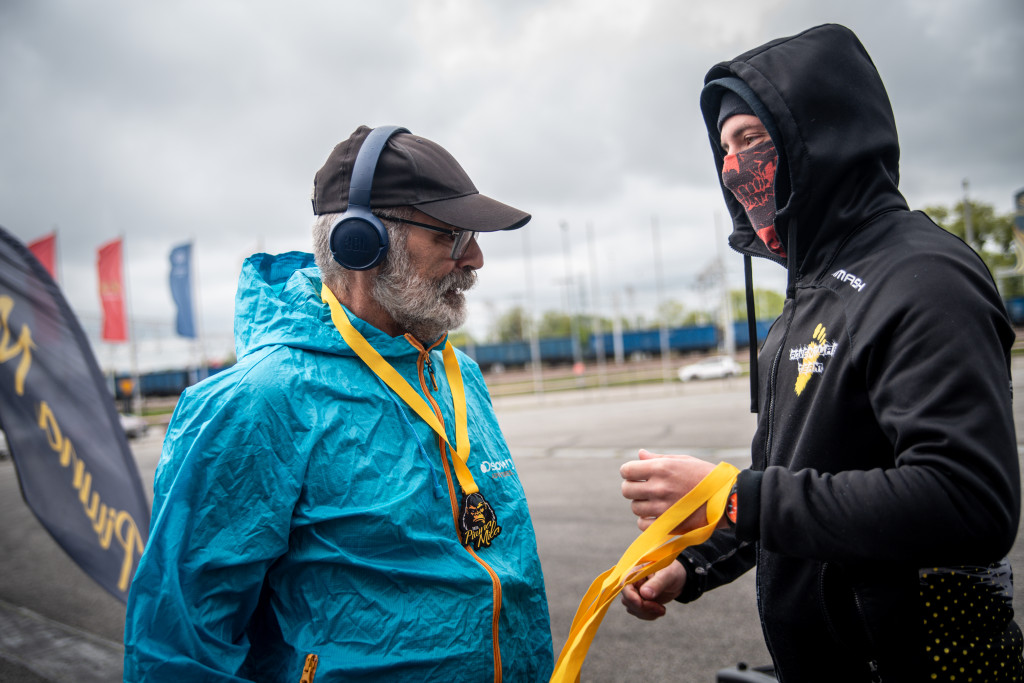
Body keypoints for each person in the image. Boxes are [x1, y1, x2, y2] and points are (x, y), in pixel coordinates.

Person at [619, 24, 1023, 681]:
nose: (733, 165)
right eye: (724, 148)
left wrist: (730, 496)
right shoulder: (803, 302)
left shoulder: (924, 276)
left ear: (821, 132)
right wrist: (691, 563)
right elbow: (791, 478)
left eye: (750, 138)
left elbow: (969, 501)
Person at [124, 125, 554, 682]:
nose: (474, 259)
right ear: (362, 242)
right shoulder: (259, 401)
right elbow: (180, 643)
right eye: (451, 236)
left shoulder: (457, 373)